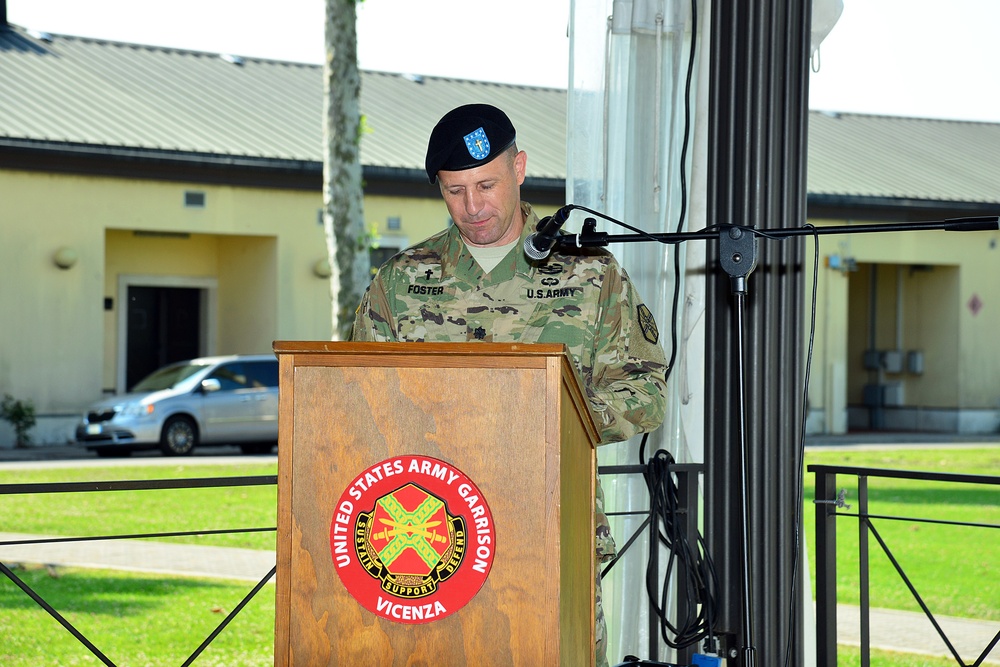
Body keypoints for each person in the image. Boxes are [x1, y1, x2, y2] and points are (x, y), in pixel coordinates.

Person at [351, 103, 667, 666]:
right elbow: (355, 406)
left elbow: (644, 395)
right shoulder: (402, 280)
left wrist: (542, 420)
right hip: (425, 541)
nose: (472, 207)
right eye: (454, 191)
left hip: (550, 530)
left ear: (519, 168)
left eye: (486, 185)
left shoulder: (590, 273)